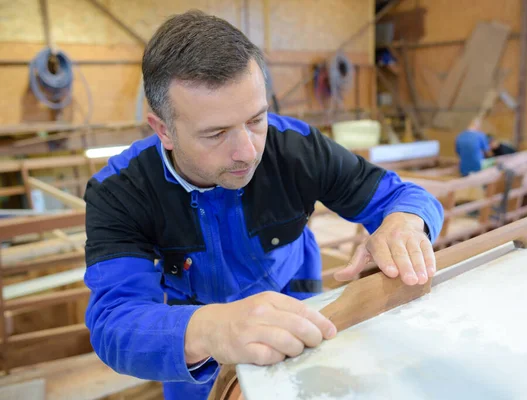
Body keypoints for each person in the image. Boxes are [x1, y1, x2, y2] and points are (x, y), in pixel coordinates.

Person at [83, 10, 444, 400]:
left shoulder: (296, 148)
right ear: (164, 130)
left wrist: (405, 224)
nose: (247, 151)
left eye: (256, 119)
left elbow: (406, 197)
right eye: (216, 133)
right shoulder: (119, 191)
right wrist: (212, 329)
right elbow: (113, 321)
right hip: (196, 353)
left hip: (302, 329)